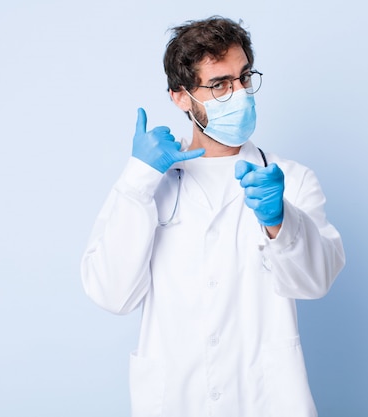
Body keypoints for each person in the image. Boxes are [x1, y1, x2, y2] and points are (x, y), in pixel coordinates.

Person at [81, 16, 345, 417]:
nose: (239, 94)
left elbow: (316, 281)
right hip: (175, 401)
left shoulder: (289, 179)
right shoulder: (151, 186)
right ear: (181, 97)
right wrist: (137, 180)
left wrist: (280, 221)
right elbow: (112, 294)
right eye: (219, 84)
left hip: (266, 400)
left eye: (244, 78)